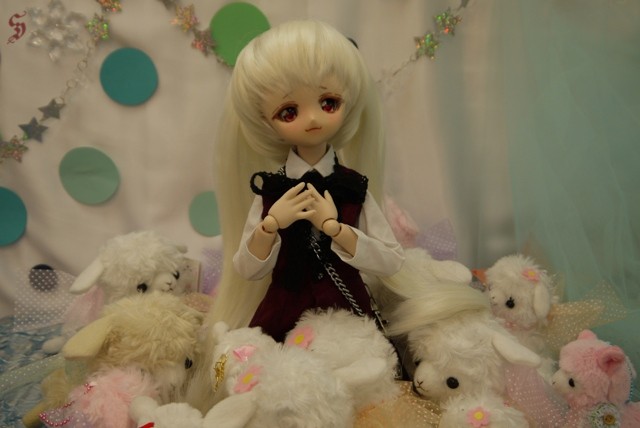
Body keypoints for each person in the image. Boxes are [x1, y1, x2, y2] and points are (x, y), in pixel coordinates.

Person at [207, 19, 404, 342]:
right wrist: (270, 225)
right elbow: (246, 269)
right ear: (265, 121)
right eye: (289, 112)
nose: (312, 118)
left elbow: (391, 261)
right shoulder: (272, 191)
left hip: (346, 313)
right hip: (282, 315)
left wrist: (335, 229)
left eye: (328, 103)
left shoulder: (352, 188)